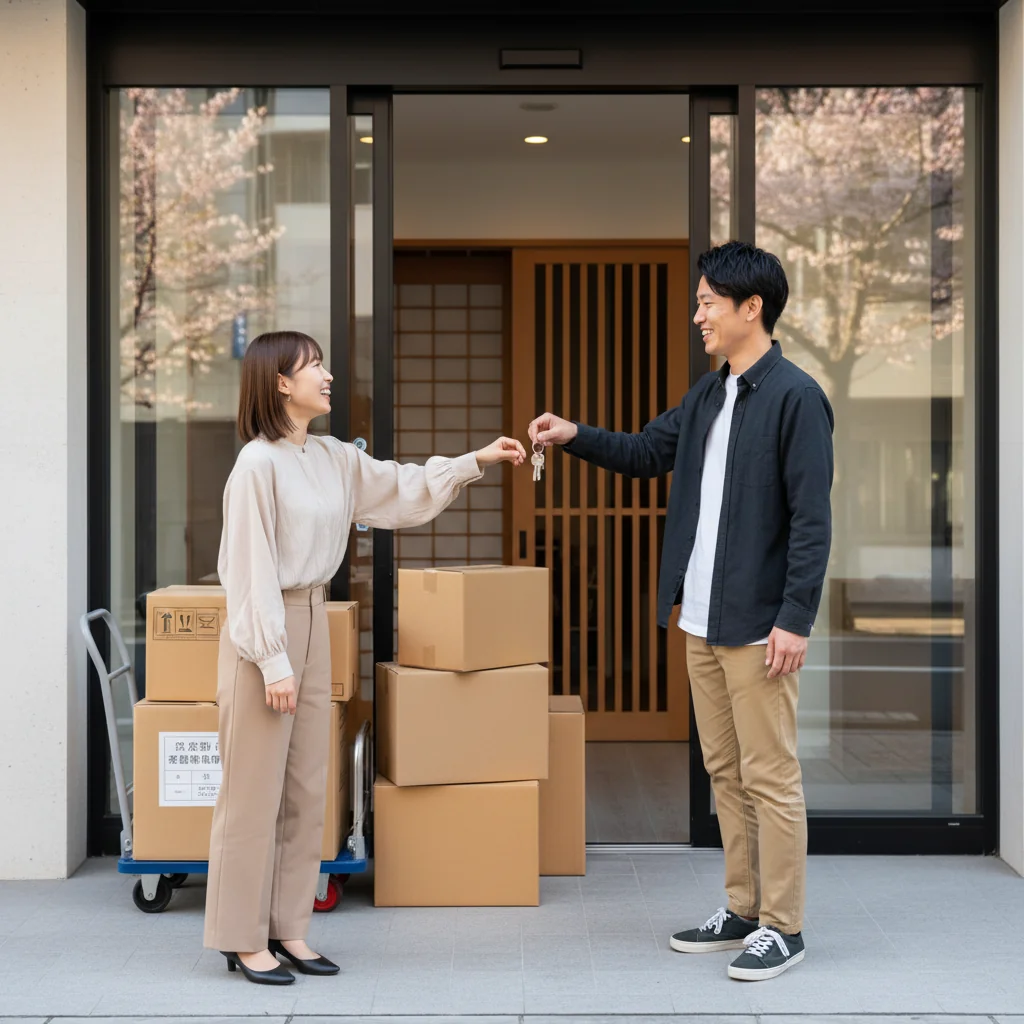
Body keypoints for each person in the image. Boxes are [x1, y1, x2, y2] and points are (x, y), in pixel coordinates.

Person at [529, 241, 833, 982]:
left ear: (749, 307)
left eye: (707, 302)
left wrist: (795, 617)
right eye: (699, 302)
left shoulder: (796, 396)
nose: (697, 315)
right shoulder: (709, 395)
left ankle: (784, 925)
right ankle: (743, 907)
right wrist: (573, 435)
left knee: (771, 775)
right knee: (725, 773)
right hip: (699, 619)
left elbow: (811, 521)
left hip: (760, 625)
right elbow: (643, 453)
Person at [205, 330, 525, 985]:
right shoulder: (255, 465)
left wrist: (477, 460)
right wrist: (272, 662)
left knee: (306, 789)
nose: (326, 376)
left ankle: (288, 928)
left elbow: (402, 489)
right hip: (266, 629)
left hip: (317, 619)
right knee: (251, 793)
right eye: (313, 367)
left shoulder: (331, 457)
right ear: (279, 384)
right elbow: (248, 571)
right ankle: (241, 938)